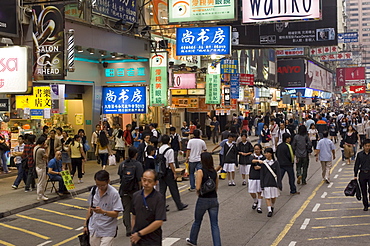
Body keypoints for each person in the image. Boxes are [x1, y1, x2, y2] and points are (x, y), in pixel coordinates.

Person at [186, 152, 221, 246]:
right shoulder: (214, 171)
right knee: (214, 224)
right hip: (214, 199)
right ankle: (217, 244)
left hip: (203, 199)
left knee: (197, 221)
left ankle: (192, 240)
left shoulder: (200, 171)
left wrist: (199, 192)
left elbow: (197, 187)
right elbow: (216, 186)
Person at [83, 170, 123, 246]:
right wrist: (85, 225)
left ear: (108, 181)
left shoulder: (114, 194)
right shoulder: (94, 190)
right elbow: (90, 208)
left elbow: (116, 214)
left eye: (103, 185)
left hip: (107, 230)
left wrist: (102, 211)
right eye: (98, 185)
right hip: (94, 229)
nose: (100, 188)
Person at [130, 170, 166, 245]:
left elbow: (159, 221)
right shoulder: (136, 196)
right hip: (137, 239)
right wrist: (133, 234)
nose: (146, 183)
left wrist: (140, 234)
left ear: (155, 182)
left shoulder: (159, 198)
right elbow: (134, 216)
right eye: (144, 180)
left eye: (149, 181)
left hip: (152, 239)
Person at [118, 146, 143, 237]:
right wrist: (141, 190)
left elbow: (120, 176)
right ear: (136, 154)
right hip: (135, 190)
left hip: (124, 190)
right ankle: (135, 227)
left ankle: (128, 228)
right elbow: (140, 179)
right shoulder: (138, 165)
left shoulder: (122, 164)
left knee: (126, 210)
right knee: (137, 209)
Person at [158, 135, 188, 211]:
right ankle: (179, 205)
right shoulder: (170, 150)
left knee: (162, 190)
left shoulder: (159, 149)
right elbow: (171, 163)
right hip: (168, 171)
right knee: (173, 189)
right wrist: (174, 173)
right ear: (169, 141)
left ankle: (161, 207)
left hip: (161, 171)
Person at [260, 148, 282, 217]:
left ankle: (272, 205)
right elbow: (262, 174)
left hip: (273, 183)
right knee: (267, 197)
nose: (266, 154)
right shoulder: (264, 163)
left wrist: (279, 183)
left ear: (271, 154)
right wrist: (262, 184)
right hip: (266, 182)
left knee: (273, 197)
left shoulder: (276, 163)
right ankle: (269, 210)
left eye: (267, 153)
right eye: (265, 153)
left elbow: (278, 173)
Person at [354, 139, 370, 211]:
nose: (367, 147)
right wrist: (355, 175)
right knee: (363, 191)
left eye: (369, 146)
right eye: (366, 146)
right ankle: (365, 205)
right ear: (363, 146)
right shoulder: (360, 154)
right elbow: (356, 165)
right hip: (362, 173)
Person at [248, 144, 265, 213]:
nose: (256, 151)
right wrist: (258, 161)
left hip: (260, 177)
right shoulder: (252, 156)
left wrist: (260, 167)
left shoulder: (263, 157)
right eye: (255, 149)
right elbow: (251, 161)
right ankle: (255, 200)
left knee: (259, 192)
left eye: (258, 149)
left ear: (261, 149)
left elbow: (266, 165)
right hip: (252, 176)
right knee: (251, 191)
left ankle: (259, 206)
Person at [34, 136, 48, 201]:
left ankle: (42, 194)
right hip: (41, 166)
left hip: (37, 166)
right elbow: (46, 156)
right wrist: (47, 148)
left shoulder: (35, 148)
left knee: (40, 181)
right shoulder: (41, 150)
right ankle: (40, 195)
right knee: (41, 181)